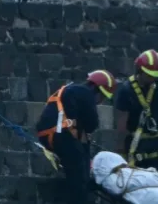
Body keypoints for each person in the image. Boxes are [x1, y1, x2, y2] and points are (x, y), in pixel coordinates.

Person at [35, 70, 116, 204]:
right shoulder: (86, 94)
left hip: (48, 134)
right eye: (102, 97)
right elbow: (92, 124)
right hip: (60, 135)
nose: (100, 102)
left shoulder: (71, 90)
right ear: (97, 90)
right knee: (79, 177)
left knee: (77, 166)